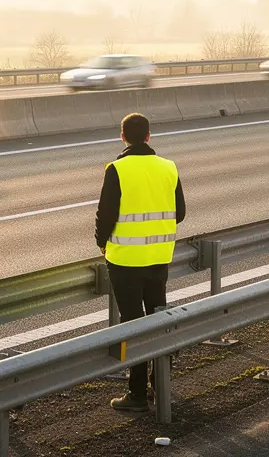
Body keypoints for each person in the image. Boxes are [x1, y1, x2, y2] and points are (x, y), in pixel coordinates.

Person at [95, 112, 186, 412]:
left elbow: (105, 216)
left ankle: (136, 395)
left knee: (132, 325)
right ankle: (160, 384)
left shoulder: (117, 169)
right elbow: (180, 212)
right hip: (159, 258)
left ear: (122, 137)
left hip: (124, 261)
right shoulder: (168, 167)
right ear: (148, 136)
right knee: (158, 319)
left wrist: (101, 243)